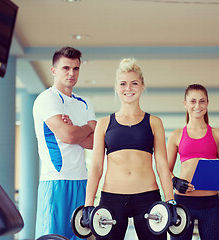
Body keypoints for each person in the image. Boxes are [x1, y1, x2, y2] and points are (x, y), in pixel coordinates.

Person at [83, 58, 176, 240]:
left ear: (142, 86)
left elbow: (162, 166)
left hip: (148, 198)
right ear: (117, 88)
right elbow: (96, 167)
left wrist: (170, 200)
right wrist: (88, 204)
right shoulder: (104, 123)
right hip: (112, 198)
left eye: (134, 83)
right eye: (123, 84)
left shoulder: (154, 122)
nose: (129, 88)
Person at [33, 46, 97, 240]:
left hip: (82, 182)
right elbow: (68, 136)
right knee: (53, 237)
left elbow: (95, 142)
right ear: (54, 70)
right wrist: (87, 126)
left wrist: (76, 129)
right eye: (66, 68)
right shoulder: (47, 99)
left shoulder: (84, 103)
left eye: (76, 68)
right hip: (55, 182)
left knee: (82, 236)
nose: (71, 73)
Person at [167, 83, 219, 240]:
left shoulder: (218, 134)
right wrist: (175, 181)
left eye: (202, 101)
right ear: (185, 104)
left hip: (210, 205)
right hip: (183, 203)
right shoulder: (176, 135)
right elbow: (165, 170)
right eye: (193, 101)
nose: (197, 105)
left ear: (207, 103)